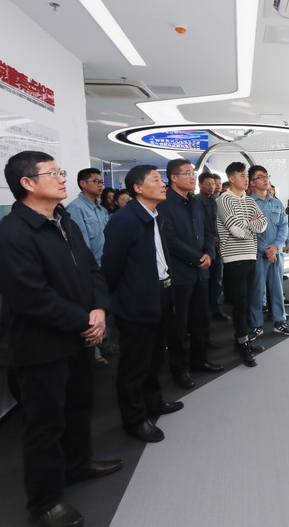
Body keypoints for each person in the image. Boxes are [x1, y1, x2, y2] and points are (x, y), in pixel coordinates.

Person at [0, 151, 121, 527]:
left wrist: (99, 308)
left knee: (79, 406)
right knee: (45, 424)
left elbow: (92, 268)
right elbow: (31, 297)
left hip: (79, 336)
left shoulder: (64, 221)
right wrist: (85, 320)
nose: (63, 178)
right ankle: (45, 501)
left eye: (61, 171)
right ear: (27, 183)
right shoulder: (12, 235)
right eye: (53, 173)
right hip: (41, 345)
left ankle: (78, 464)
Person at [102, 165, 183, 443]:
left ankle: (153, 402)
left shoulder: (155, 215)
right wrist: (120, 301)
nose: (163, 184)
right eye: (156, 180)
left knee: (155, 357)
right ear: (138, 188)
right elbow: (111, 267)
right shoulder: (124, 220)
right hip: (136, 301)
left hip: (160, 294)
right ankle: (135, 420)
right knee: (134, 365)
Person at [158, 159, 223, 390]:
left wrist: (209, 253)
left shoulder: (195, 202)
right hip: (180, 274)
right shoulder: (164, 204)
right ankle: (179, 369)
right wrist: (197, 257)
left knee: (201, 319)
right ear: (173, 178)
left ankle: (199, 360)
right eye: (187, 173)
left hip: (201, 271)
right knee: (178, 325)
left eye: (193, 173)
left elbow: (207, 231)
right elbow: (170, 239)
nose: (192, 177)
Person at [216, 162, 268, 366]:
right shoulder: (224, 199)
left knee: (248, 301)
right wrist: (251, 224)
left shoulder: (249, 200)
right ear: (231, 178)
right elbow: (236, 230)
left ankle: (244, 339)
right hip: (234, 258)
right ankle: (241, 343)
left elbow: (263, 224)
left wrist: (247, 224)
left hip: (250, 256)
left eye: (247, 175)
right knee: (239, 304)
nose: (246, 179)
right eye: (242, 175)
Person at [65, 167, 111, 368]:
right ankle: (94, 351)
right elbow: (81, 246)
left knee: (104, 307)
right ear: (83, 184)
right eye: (96, 181)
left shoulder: (101, 209)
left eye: (101, 181)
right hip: (91, 269)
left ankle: (105, 343)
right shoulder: (75, 209)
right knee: (92, 309)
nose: (100, 185)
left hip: (106, 266)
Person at [248, 166, 289, 339]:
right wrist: (266, 250)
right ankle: (256, 325)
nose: (265, 179)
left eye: (266, 176)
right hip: (258, 255)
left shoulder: (276, 202)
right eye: (260, 177)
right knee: (257, 291)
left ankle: (279, 321)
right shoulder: (248, 203)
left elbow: (284, 226)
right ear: (252, 182)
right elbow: (251, 231)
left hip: (276, 255)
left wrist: (276, 247)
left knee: (277, 289)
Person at [196, 172, 230, 322]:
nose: (212, 187)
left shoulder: (217, 201)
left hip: (218, 245)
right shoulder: (195, 201)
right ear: (200, 185)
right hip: (202, 247)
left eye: (213, 184)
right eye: (208, 184)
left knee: (217, 279)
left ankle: (217, 309)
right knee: (203, 282)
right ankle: (203, 311)